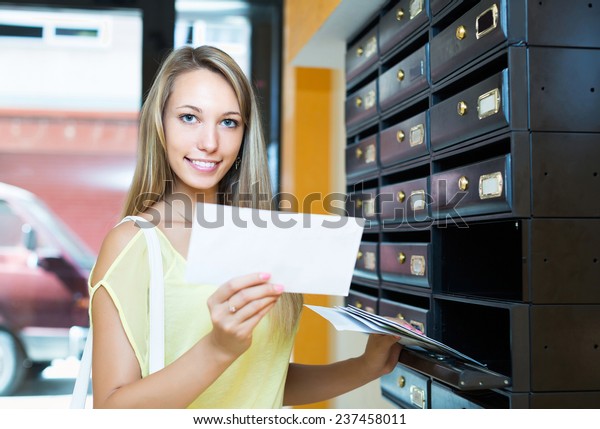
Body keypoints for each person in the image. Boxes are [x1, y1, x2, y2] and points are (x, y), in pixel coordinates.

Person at [89, 45, 402, 408]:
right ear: (159, 123)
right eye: (189, 117)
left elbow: (263, 380)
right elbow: (112, 410)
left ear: (244, 134)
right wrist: (218, 348)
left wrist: (365, 367)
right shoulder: (133, 243)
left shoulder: (266, 238)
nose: (209, 143)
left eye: (228, 122)